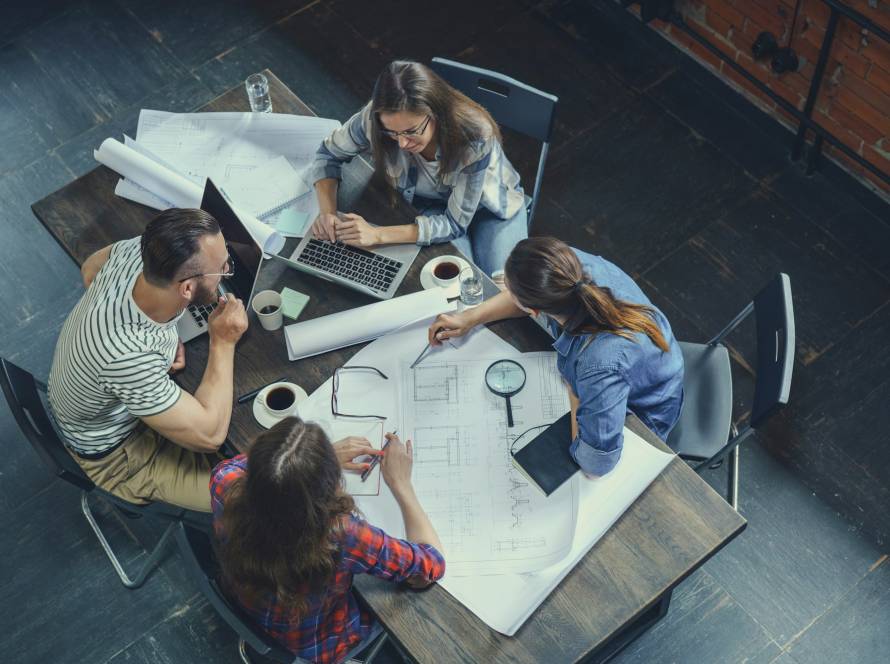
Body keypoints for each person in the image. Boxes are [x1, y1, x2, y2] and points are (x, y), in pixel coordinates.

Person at [428, 237, 685, 476]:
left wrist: (575, 392)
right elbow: (528, 298)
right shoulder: (567, 266)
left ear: (534, 311)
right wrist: (469, 318)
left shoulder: (597, 365)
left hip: (646, 408)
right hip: (647, 356)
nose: (506, 292)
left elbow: (596, 463)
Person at [47, 209, 249, 512]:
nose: (226, 273)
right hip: (121, 454)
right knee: (254, 500)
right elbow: (209, 435)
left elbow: (90, 269)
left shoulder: (138, 252)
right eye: (223, 269)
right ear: (187, 289)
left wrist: (162, 337)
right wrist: (222, 340)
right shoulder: (124, 356)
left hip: (99, 402)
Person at [211, 417, 445, 664]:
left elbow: (265, 472)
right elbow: (432, 564)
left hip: (255, 608)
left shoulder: (223, 480)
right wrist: (401, 484)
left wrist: (303, 463)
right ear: (329, 483)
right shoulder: (338, 534)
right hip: (320, 643)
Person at [308, 60, 528, 278]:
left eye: (411, 131)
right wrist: (328, 212)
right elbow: (328, 155)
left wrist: (377, 235)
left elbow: (454, 224)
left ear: (436, 113)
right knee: (461, 284)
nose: (402, 144)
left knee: (506, 288)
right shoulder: (374, 118)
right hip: (430, 206)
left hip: (490, 208)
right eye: (392, 133)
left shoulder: (476, 137)